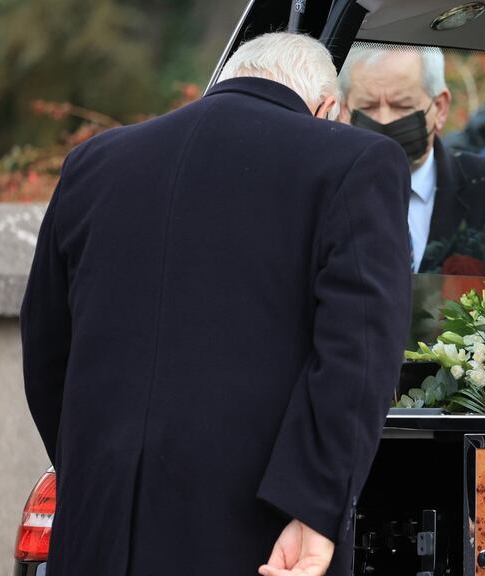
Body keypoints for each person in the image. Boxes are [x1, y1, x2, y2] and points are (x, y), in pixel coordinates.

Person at [20, 32, 412, 576]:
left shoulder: (92, 163)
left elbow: (45, 352)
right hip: (254, 539)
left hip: (96, 533)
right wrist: (315, 508)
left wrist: (94, 472)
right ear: (327, 108)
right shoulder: (356, 160)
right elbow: (359, 353)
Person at [337, 43, 485, 275]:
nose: (384, 120)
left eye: (402, 106)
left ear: (440, 108)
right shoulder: (321, 196)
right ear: (344, 111)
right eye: (367, 107)